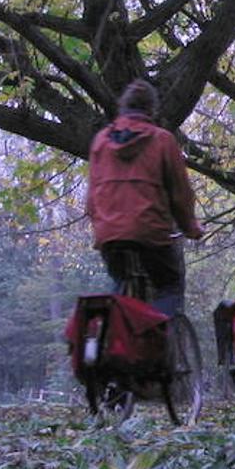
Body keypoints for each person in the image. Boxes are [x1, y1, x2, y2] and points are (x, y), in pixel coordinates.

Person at [86, 81, 203, 316]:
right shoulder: (162, 140)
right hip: (149, 231)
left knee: (119, 282)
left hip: (109, 233)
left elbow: (91, 198)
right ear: (152, 110)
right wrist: (190, 227)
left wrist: (101, 225)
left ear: (122, 107)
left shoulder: (101, 141)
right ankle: (158, 339)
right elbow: (180, 194)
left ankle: (109, 334)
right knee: (169, 286)